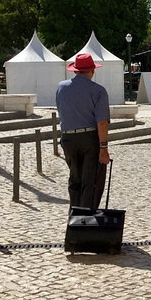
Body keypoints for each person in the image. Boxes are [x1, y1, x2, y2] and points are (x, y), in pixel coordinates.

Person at [56, 53, 111, 209]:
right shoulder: (98, 90)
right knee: (92, 181)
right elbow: (101, 122)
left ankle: (74, 212)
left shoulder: (61, 87)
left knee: (75, 179)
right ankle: (86, 218)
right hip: (89, 138)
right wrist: (104, 148)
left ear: (75, 70)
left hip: (68, 138)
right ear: (92, 71)